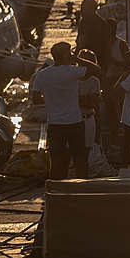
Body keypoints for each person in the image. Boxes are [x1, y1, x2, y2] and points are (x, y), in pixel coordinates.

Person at [30, 42, 89, 179]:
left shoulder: (42, 75)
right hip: (75, 122)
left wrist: (51, 100)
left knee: (56, 159)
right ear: (65, 55)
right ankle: (82, 185)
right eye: (69, 53)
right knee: (80, 159)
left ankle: (56, 185)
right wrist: (78, 59)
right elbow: (96, 69)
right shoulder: (72, 72)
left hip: (55, 123)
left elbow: (36, 99)